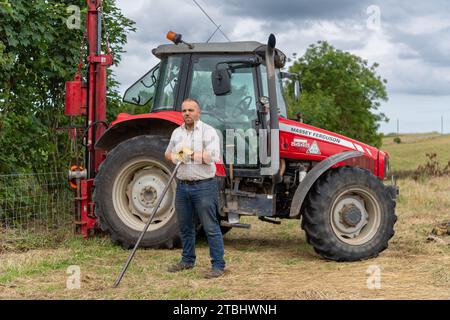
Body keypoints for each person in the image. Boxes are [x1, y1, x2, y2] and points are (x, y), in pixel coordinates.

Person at [164, 98, 226, 279]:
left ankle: (218, 265)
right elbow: (167, 154)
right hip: (182, 186)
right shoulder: (177, 133)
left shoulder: (208, 132)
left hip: (204, 186)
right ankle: (187, 260)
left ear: (198, 113)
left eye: (191, 110)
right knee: (185, 227)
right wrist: (177, 155)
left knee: (210, 227)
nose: (187, 113)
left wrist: (189, 154)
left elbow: (211, 156)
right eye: (184, 110)